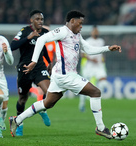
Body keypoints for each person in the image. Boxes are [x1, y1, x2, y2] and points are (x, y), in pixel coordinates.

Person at [9, 10, 121, 139]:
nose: (81, 26)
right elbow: (41, 39)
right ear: (72, 21)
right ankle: (100, 128)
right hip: (65, 75)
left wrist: (107, 48)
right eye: (80, 23)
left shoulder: (77, 35)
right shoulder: (62, 31)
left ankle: (17, 120)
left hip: (61, 75)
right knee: (95, 92)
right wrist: (34, 61)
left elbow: (89, 49)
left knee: (47, 103)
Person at [10, 10, 52, 136]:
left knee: (50, 92)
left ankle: (42, 109)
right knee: (23, 99)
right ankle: (19, 124)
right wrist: (27, 38)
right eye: (38, 19)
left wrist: (49, 62)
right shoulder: (24, 31)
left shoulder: (45, 33)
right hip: (24, 68)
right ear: (32, 21)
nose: (40, 21)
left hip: (39, 67)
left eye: (42, 19)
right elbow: (12, 46)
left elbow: (43, 48)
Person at [79, 25, 108, 112]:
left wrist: (103, 58)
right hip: (89, 67)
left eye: (97, 31)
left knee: (103, 83)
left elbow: (102, 52)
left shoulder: (101, 41)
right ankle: (82, 103)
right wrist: (91, 59)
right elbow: (82, 54)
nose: (96, 32)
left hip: (99, 66)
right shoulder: (87, 41)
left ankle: (94, 96)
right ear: (91, 32)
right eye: (94, 31)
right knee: (83, 87)